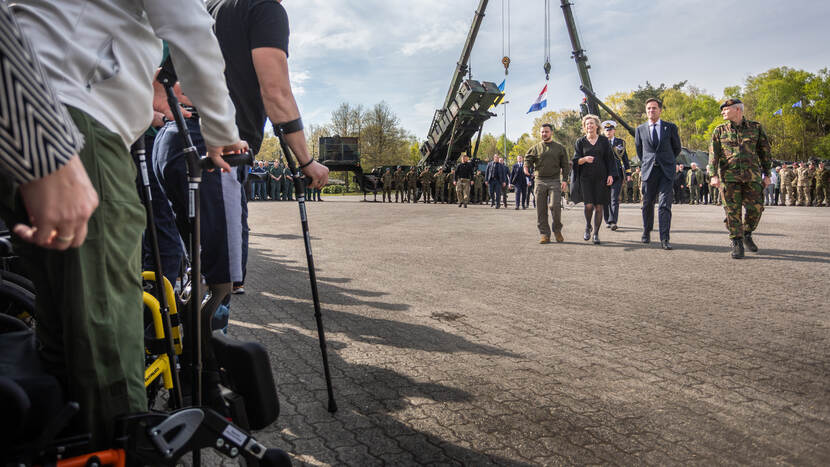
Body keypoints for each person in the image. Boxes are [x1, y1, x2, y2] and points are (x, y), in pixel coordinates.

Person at [8, 0, 249, 447]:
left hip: (27, 115)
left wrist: (141, 98)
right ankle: (126, 448)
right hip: (75, 120)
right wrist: (222, 130)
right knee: (107, 331)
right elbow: (190, 26)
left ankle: (73, 443)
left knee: (63, 325)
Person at [709, 98, 771, 259]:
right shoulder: (720, 130)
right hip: (729, 177)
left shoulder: (755, 128)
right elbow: (713, 155)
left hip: (752, 177)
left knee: (756, 209)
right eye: (722, 109)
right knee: (732, 211)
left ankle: (747, 233)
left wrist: (767, 174)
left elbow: (765, 152)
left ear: (738, 110)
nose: (723, 111)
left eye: (726, 109)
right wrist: (713, 175)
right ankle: (736, 241)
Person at [634, 98, 682, 250]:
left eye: (654, 108)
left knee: (664, 205)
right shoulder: (640, 129)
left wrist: (666, 160)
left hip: (666, 172)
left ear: (660, 110)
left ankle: (664, 238)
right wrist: (649, 161)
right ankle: (646, 231)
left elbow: (677, 148)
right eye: (648, 108)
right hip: (649, 172)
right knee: (647, 204)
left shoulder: (670, 127)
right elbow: (639, 150)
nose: (651, 111)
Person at [524, 123, 570, 243]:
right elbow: (528, 158)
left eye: (546, 131)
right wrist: (526, 166)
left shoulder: (559, 148)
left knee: (555, 206)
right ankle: (544, 234)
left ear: (551, 133)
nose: (544, 134)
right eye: (542, 132)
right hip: (540, 181)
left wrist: (565, 179)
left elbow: (565, 165)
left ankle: (557, 230)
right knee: (541, 209)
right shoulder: (536, 148)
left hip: (554, 180)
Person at [572, 115, 614, 244]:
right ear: (584, 127)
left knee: (599, 207)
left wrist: (611, 175)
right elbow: (575, 161)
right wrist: (584, 159)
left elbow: (610, 159)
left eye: (592, 123)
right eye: (587, 124)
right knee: (589, 205)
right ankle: (587, 226)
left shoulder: (603, 141)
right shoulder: (580, 142)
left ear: (597, 126)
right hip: (585, 178)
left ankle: (596, 233)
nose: (589, 126)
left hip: (601, 178)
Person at [601, 121, 631, 229]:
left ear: (614, 131)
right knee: (605, 199)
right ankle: (607, 220)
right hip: (603, 174)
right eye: (606, 130)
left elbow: (625, 159)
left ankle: (613, 221)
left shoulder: (620, 143)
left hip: (617, 174)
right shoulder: (600, 142)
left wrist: (628, 173)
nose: (608, 132)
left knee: (614, 198)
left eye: (610, 130)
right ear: (603, 131)